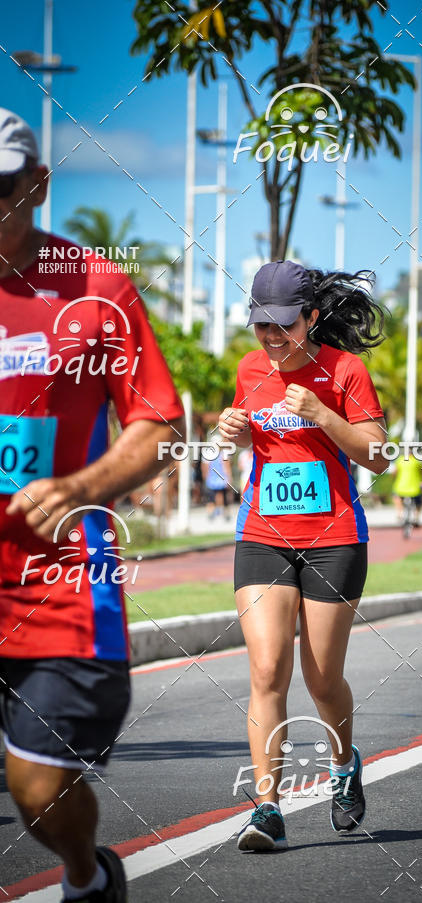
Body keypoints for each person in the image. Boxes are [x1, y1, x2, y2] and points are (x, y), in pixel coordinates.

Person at [0, 109, 184, 902]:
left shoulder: (97, 287)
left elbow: (158, 425)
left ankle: (87, 873)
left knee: (39, 791)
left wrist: (79, 487)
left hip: (61, 582)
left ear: (36, 186)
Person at [218, 260, 387, 851]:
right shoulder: (249, 368)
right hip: (263, 532)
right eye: (260, 325)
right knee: (266, 670)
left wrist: (322, 415)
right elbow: (250, 438)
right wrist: (233, 432)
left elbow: (378, 455)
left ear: (311, 318)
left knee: (322, 678)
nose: (270, 337)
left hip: (335, 539)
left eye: (283, 325)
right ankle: (268, 809)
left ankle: (344, 765)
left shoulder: (346, 370)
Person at [391, 449, 422, 528]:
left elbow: (394, 473)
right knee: (420, 501)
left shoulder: (400, 460)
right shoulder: (417, 461)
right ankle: (416, 517)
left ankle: (400, 513)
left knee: (396, 497)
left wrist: (393, 477)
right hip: (415, 488)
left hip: (401, 488)